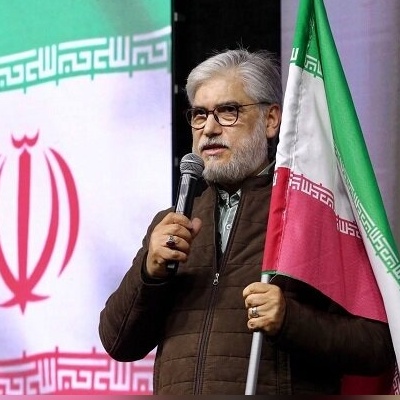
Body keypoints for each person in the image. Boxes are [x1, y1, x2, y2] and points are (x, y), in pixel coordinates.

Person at [98, 48, 394, 395]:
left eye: (228, 111)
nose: (209, 129)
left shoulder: (312, 215)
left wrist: (290, 319)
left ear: (271, 120)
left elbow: (378, 345)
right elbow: (118, 343)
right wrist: (150, 274)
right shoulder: (173, 222)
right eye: (199, 115)